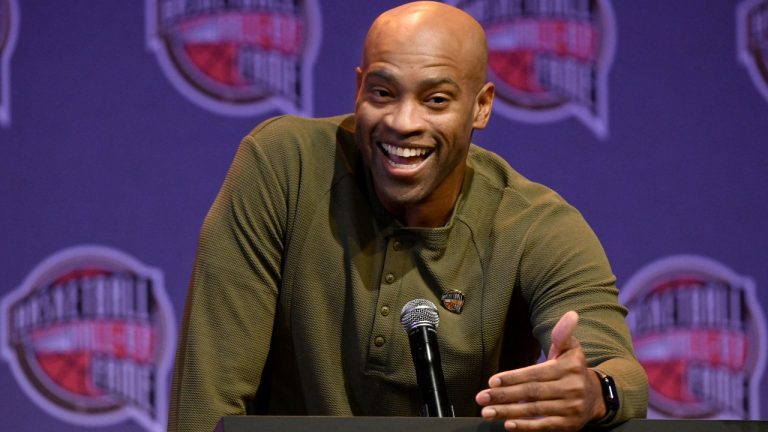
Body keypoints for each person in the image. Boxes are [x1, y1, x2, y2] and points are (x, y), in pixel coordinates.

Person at [168, 2, 648, 431]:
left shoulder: (533, 224)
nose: (403, 121)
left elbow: (620, 372)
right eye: (382, 93)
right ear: (358, 88)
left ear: (480, 106)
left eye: (436, 99)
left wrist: (593, 391)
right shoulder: (283, 167)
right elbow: (210, 395)